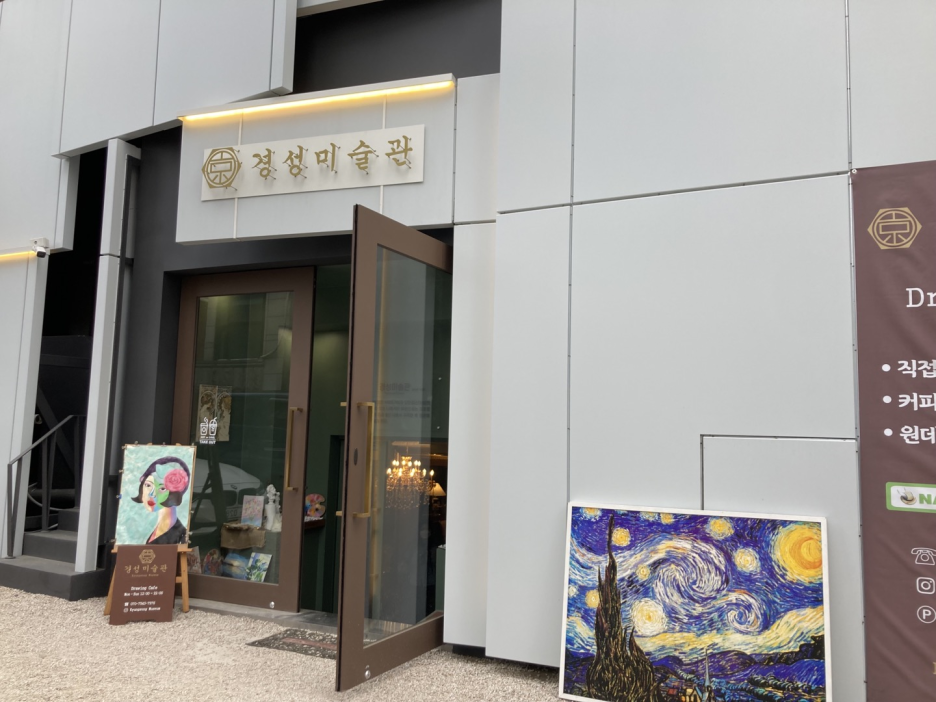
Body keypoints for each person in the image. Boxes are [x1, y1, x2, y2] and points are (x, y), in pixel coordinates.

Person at [131, 456, 191, 544]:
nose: (152, 494)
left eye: (162, 488)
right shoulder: (155, 528)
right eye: (148, 485)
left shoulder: (180, 536)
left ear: (174, 493)